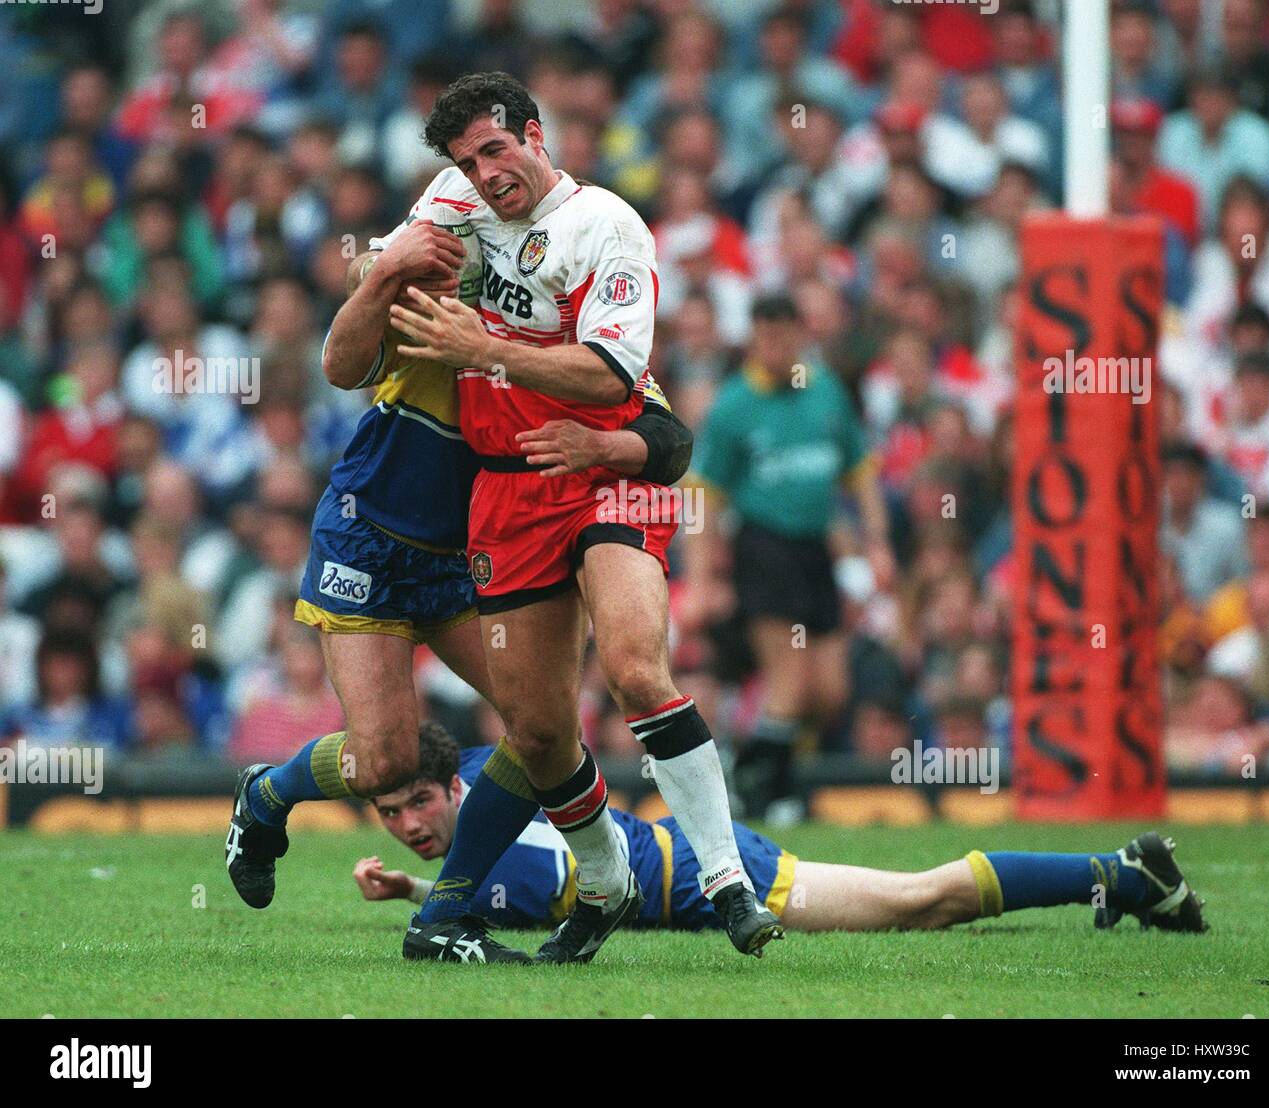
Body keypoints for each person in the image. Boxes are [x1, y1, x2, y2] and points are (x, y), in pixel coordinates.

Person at [223, 178, 693, 945]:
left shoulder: (582, 346)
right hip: (369, 536)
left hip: (467, 557)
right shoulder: (437, 303)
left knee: (541, 728)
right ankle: (267, 795)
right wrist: (379, 270)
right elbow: (340, 364)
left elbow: (657, 424)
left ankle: (448, 913)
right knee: (385, 762)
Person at [385, 71, 778, 964]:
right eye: (466, 161)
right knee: (535, 730)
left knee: (637, 668)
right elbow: (379, 268)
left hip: (605, 459)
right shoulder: (453, 202)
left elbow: (607, 375)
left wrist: (479, 346)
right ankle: (605, 883)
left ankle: (727, 881)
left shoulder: (606, 224)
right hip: (507, 484)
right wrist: (391, 273)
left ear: (533, 134)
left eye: (495, 150)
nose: (483, 175)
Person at [350, 723, 1208, 955]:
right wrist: (419, 891)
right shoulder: (490, 799)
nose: (409, 825)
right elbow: (516, 881)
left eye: (418, 803)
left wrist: (438, 902)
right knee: (920, 903)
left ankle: (1124, 873)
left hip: (716, 877)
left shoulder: (504, 842)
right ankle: (1120, 875)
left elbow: (541, 886)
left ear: (456, 786)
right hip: (691, 859)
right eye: (390, 814)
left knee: (921, 904)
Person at [683, 293, 893, 820]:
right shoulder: (734, 405)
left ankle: (746, 766)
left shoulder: (825, 392)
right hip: (764, 547)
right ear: (754, 339)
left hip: (817, 549)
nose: (774, 347)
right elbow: (705, 495)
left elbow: (860, 471)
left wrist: (878, 543)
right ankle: (771, 795)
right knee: (790, 678)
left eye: (782, 335)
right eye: (764, 337)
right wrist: (704, 577)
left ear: (800, 334)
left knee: (829, 689)